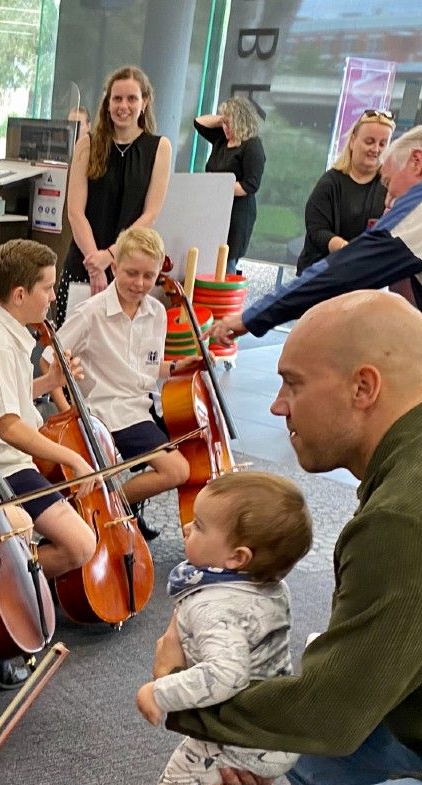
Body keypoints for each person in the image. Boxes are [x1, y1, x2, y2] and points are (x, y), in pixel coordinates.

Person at [165, 291, 422, 785]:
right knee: (317, 758)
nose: (277, 406)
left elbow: (329, 711)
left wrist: (175, 700)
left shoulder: (411, 514)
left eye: (292, 384)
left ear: (363, 388)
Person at [209, 124, 422, 442]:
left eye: (391, 187)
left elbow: (352, 265)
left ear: (417, 162)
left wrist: (252, 316)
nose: (389, 203)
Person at [133, 472, 313, 785]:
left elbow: (225, 675)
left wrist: (158, 692)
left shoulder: (215, 606)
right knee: (205, 770)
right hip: (274, 716)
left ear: (237, 557)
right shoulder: (265, 584)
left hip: (248, 730)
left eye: (198, 526)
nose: (185, 528)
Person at [0, 238, 96, 583]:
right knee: (80, 546)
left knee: (79, 540)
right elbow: (9, 427)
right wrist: (72, 458)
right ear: (20, 294)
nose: (52, 296)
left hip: (13, 461)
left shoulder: (10, 333)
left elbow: (3, 401)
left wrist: (49, 383)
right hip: (0, 469)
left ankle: (19, 570)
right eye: (47, 288)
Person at [40, 226, 191, 532]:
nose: (139, 283)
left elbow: (147, 366)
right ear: (115, 267)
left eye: (149, 276)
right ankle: (114, 506)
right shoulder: (91, 313)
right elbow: (48, 361)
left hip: (140, 409)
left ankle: (112, 504)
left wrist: (180, 366)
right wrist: (67, 412)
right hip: (105, 413)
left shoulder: (158, 313)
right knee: (175, 469)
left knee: (185, 460)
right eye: (131, 273)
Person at [58, 66, 172, 324]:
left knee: (117, 350)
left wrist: (110, 256)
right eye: (117, 98)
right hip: (83, 262)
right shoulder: (87, 143)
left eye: (132, 98)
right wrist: (94, 263)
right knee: (68, 352)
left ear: (144, 102)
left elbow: (150, 213)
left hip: (128, 267)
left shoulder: (159, 148)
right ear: (107, 103)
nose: (124, 106)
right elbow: (75, 212)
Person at [295, 109, 394, 274]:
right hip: (321, 272)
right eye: (369, 141)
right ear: (353, 141)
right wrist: (344, 248)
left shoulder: (389, 187)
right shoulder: (330, 182)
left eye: (383, 144)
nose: (376, 149)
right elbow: (317, 230)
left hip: (363, 275)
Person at [193, 97, 265, 274]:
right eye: (223, 123)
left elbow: (250, 185)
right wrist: (223, 118)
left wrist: (219, 188)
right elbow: (199, 122)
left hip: (237, 214)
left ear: (241, 122)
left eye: (229, 123)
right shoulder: (221, 140)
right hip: (214, 209)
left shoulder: (252, 145)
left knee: (226, 263)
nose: (225, 127)